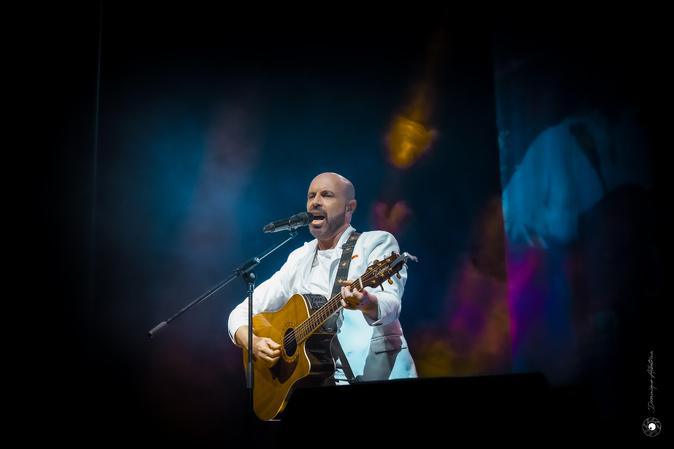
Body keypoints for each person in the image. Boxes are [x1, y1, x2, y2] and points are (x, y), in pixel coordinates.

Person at [227, 172, 417, 384]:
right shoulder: (299, 258)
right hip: (319, 381)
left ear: (349, 207)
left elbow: (391, 304)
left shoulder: (376, 242)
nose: (315, 202)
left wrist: (366, 301)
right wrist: (253, 342)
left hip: (379, 376)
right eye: (311, 196)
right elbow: (241, 312)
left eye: (326, 195)